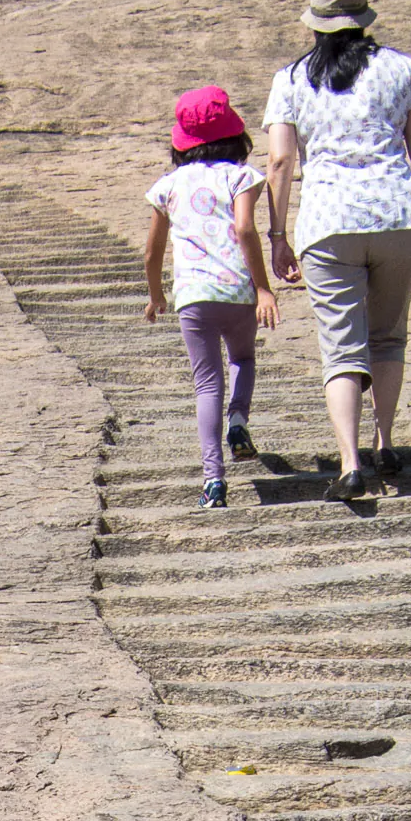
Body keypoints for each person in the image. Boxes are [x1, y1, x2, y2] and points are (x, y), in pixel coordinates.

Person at [263, 0, 411, 501]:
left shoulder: (291, 78)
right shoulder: (402, 69)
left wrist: (277, 232)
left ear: (315, 21)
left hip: (328, 223)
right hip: (399, 216)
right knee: (388, 336)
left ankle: (351, 464)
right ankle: (385, 442)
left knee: (340, 347)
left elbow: (280, 161)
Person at [144, 86, 280, 511]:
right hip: (238, 289)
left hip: (193, 296)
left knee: (206, 384)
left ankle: (213, 482)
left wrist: (155, 295)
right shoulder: (240, 176)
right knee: (243, 359)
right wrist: (262, 287)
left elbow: (152, 251)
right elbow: (244, 229)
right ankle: (238, 421)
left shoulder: (167, 185)